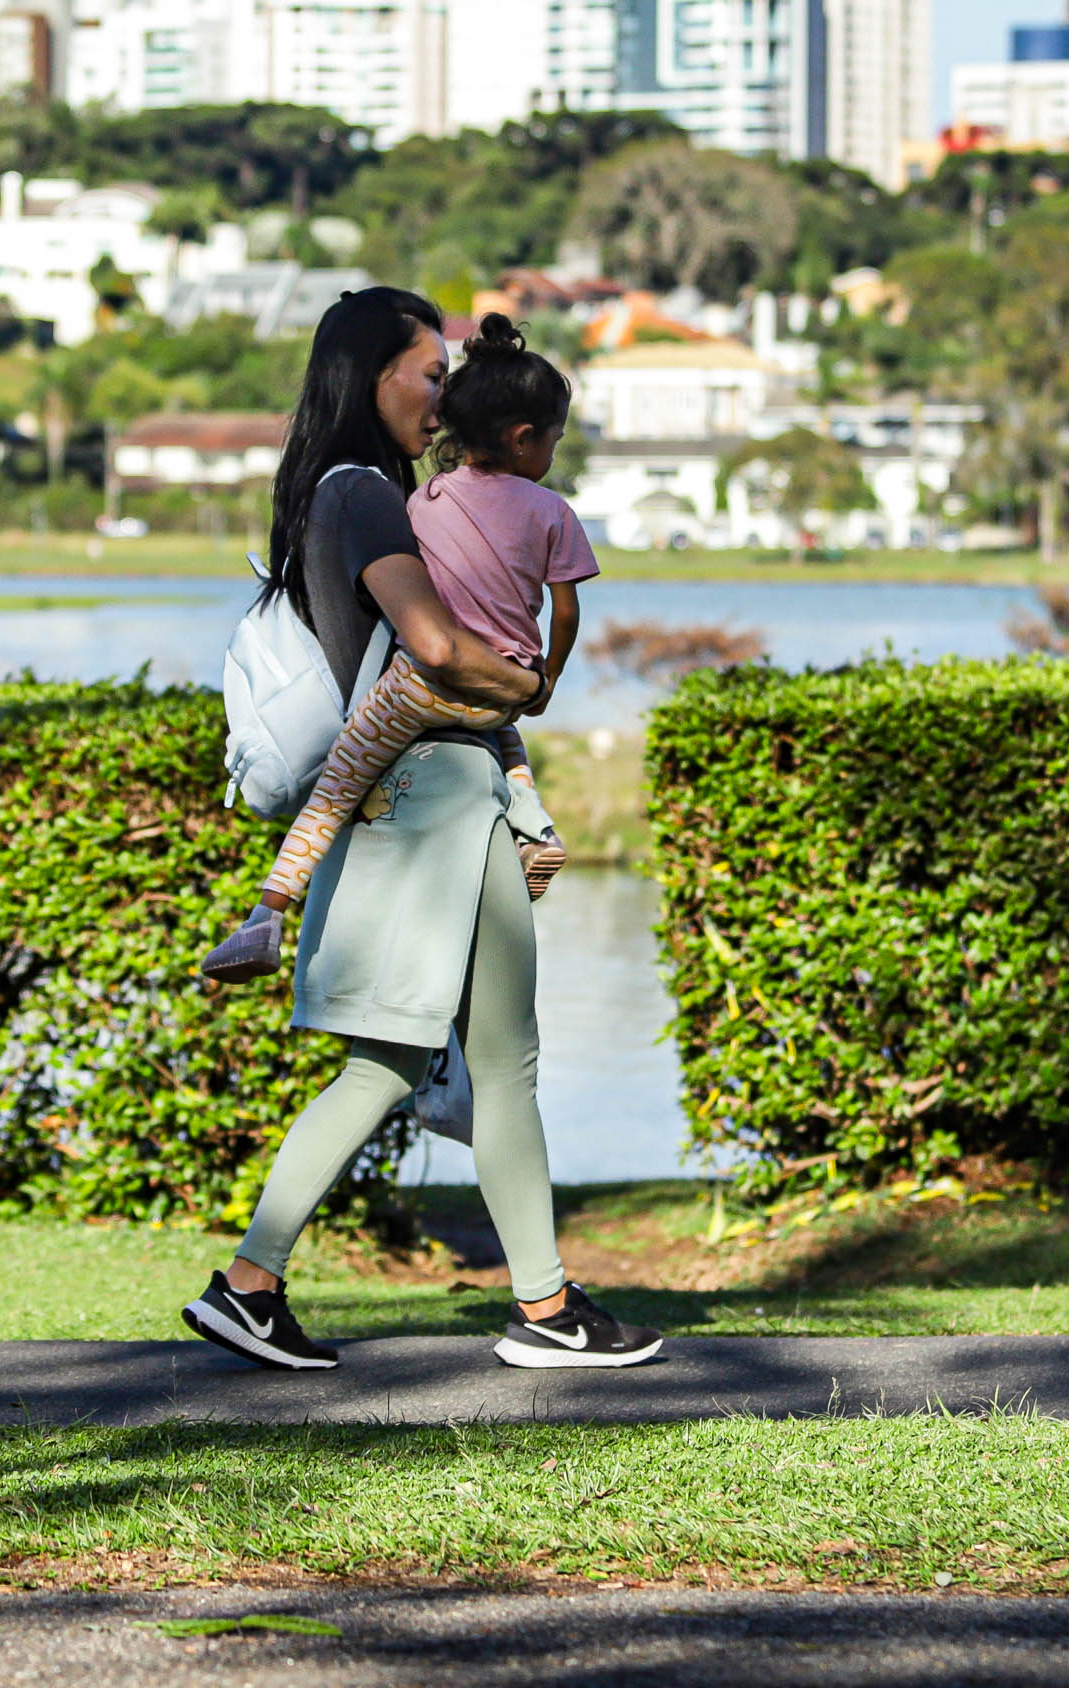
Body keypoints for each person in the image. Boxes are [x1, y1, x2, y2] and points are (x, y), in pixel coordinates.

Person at [180, 288, 661, 1374]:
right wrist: (525, 684)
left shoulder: (381, 492)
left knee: (416, 1061)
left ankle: (263, 1286)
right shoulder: (361, 494)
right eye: (427, 372)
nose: (444, 395)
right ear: (370, 376)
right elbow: (440, 646)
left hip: (422, 798)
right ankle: (528, 1309)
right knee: (475, 1058)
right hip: (440, 796)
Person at [197, 313, 588, 982]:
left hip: (420, 695)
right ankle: (537, 830)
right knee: (507, 738)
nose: (437, 400)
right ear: (527, 437)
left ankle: (268, 912)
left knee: (339, 782)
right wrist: (540, 679)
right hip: (501, 691)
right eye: (430, 376)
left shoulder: (415, 501)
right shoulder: (552, 510)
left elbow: (433, 642)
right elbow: (567, 609)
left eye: (445, 381)